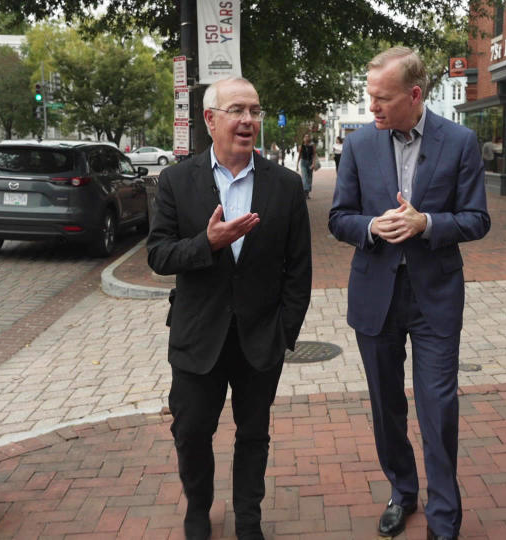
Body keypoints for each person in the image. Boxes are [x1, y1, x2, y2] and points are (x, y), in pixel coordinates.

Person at [328, 46, 490, 540]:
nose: (371, 106)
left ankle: (444, 518)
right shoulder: (357, 147)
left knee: (438, 407)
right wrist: (373, 226)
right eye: (369, 96)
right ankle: (403, 491)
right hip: (375, 295)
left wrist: (428, 223)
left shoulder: (460, 141)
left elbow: (477, 219)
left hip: (434, 296)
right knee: (385, 406)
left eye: (382, 98)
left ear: (414, 95)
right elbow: (339, 217)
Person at [147, 77, 312, 540]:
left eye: (255, 111)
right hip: (198, 337)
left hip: (261, 339)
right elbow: (158, 255)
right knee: (192, 432)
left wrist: (284, 333)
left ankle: (249, 519)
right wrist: (208, 244)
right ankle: (198, 509)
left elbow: (299, 271)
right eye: (237, 109)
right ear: (210, 119)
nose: (248, 120)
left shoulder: (284, 185)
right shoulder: (178, 181)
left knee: (253, 435)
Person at [296, 133, 315, 198]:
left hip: (310, 162)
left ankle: (307, 193)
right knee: (304, 177)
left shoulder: (312, 146)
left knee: (309, 178)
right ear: (303, 139)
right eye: (305, 137)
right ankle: (305, 191)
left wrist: (313, 163)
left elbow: (314, 155)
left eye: (307, 137)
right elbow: (299, 155)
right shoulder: (301, 146)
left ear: (309, 138)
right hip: (303, 162)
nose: (306, 138)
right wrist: (297, 165)